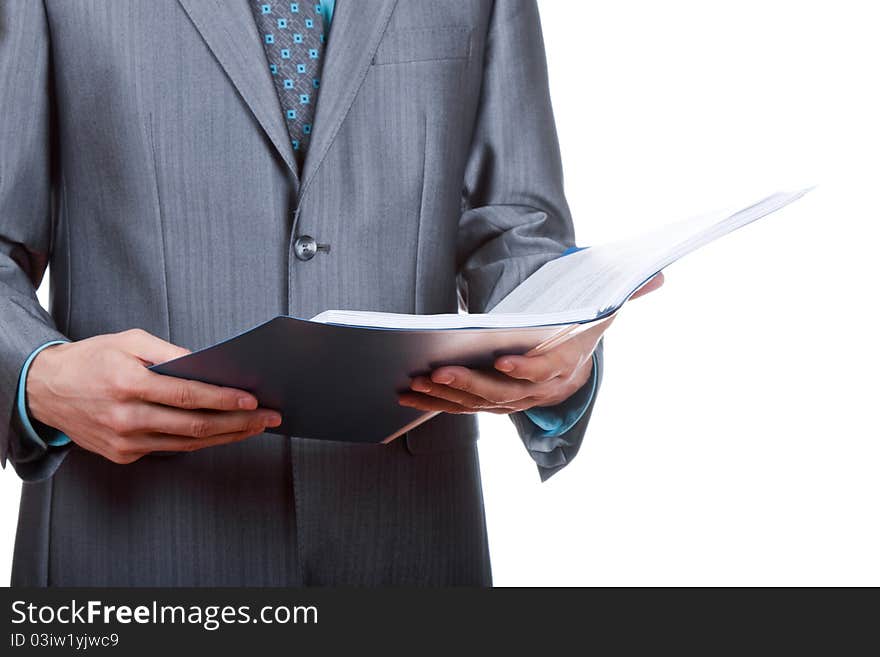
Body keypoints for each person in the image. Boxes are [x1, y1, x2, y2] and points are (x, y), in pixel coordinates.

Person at [0, 0, 660, 586]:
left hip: (411, 544)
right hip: (131, 546)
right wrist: (39, 375)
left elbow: (514, 225)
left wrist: (556, 334)